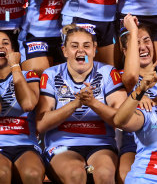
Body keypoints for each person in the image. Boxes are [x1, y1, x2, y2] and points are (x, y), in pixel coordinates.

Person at [36, 24, 127, 184]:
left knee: (105, 174)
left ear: (94, 49)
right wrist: (74, 104)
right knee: (75, 173)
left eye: (86, 46)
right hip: (61, 146)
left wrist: (93, 103)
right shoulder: (50, 74)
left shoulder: (108, 72)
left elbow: (122, 119)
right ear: (64, 51)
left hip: (101, 145)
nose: (81, 51)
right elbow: (40, 124)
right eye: (74, 46)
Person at [0, 31, 45, 184]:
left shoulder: (29, 75)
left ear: (14, 51)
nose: (0, 46)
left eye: (5, 43)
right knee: (1, 173)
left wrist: (15, 66)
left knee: (32, 174)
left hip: (26, 144)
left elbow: (28, 104)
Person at [117, 14, 157, 184]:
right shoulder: (119, 77)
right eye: (136, 43)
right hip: (132, 142)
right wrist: (137, 97)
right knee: (125, 176)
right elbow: (130, 80)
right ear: (125, 51)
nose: (143, 47)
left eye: (146, 40)